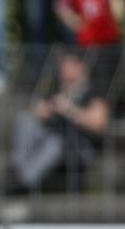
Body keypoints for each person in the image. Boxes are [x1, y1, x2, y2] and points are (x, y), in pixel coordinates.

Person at [11, 48, 108, 192]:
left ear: (80, 67)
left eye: (68, 65)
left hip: (79, 145)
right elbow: (35, 114)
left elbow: (100, 123)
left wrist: (70, 110)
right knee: (25, 121)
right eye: (63, 65)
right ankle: (19, 170)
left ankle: (23, 180)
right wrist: (45, 110)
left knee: (55, 144)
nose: (63, 69)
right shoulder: (55, 91)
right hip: (52, 139)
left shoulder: (92, 93)